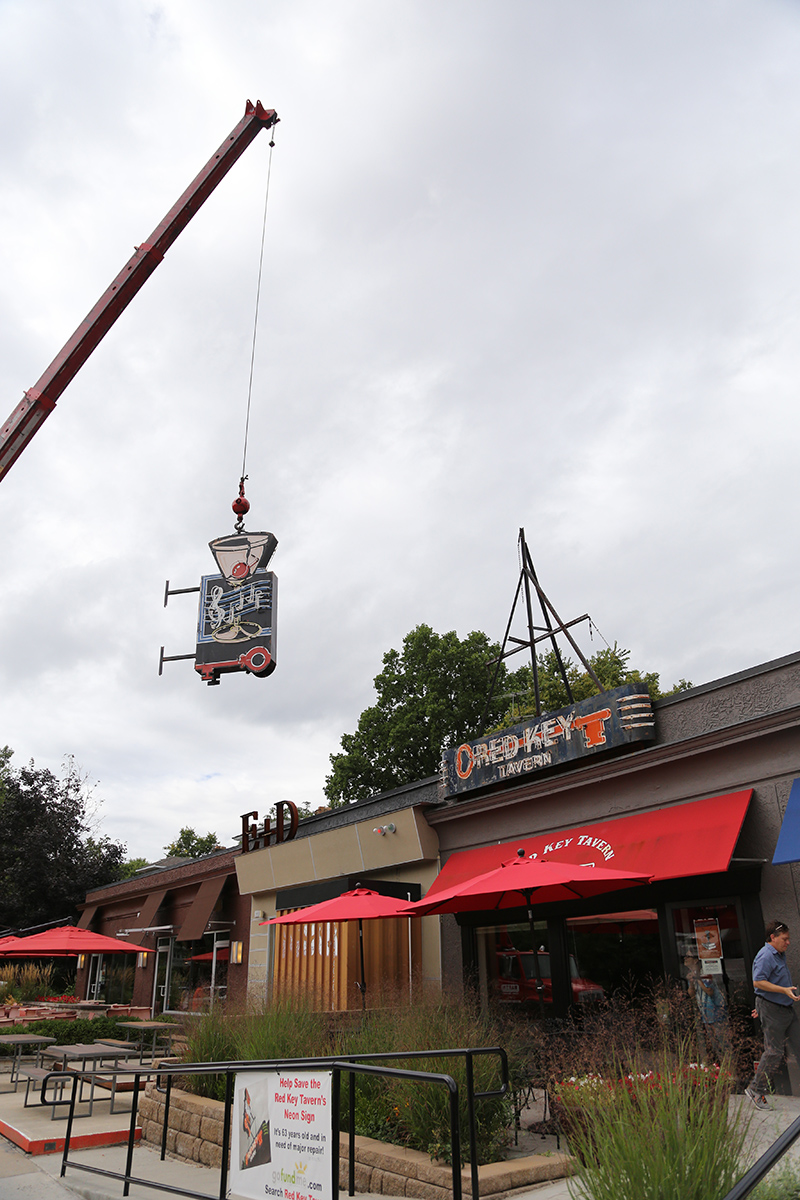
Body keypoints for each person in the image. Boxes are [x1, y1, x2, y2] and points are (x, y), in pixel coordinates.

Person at [746, 920, 800, 1110]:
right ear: (773, 938)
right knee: (774, 1052)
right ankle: (756, 1089)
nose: (788, 943)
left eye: (788, 939)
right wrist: (783, 991)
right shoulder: (765, 955)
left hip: (785, 1009)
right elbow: (758, 982)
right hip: (773, 1010)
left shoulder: (779, 954)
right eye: (784, 939)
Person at [684, 954, 728, 1056]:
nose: (685, 959)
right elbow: (691, 994)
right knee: (715, 1045)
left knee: (723, 1043)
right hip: (706, 1015)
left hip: (717, 1013)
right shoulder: (691, 974)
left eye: (687, 956)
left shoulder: (705, 972)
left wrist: (698, 979)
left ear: (695, 960)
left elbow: (709, 991)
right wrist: (691, 982)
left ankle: (731, 1067)